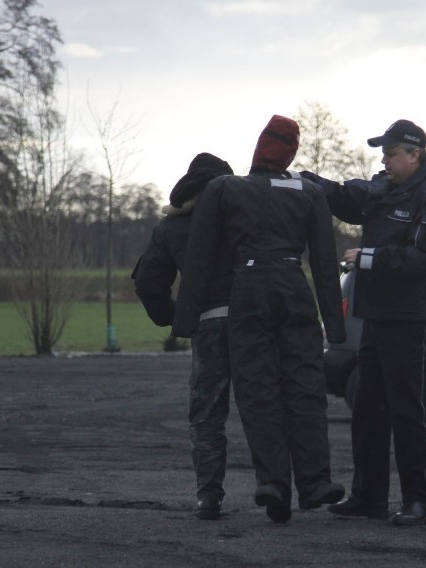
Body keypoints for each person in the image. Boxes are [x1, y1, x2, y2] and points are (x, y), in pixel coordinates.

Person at [171, 115, 347, 524]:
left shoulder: (225, 189)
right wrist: (334, 328)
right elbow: (322, 262)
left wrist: (185, 319)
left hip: (247, 290)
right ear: (291, 153)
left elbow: (199, 259)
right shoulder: (307, 192)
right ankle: (315, 480)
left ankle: (273, 482)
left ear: (257, 148)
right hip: (293, 285)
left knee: (257, 389)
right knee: (305, 385)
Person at [301, 119, 426, 526]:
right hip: (377, 317)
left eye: (391, 154)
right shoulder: (386, 188)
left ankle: (419, 501)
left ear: (414, 155)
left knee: (409, 411)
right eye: (383, 154)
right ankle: (368, 497)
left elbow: (425, 260)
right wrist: (307, 181)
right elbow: (349, 199)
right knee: (368, 408)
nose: (385, 161)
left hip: (413, 322)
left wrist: (368, 259)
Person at [131, 152, 235, 520]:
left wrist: (174, 318)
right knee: (264, 407)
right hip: (255, 324)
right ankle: (277, 489)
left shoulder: (171, 228)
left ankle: (209, 496)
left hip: (208, 323)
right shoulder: (244, 218)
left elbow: (147, 282)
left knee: (207, 414)